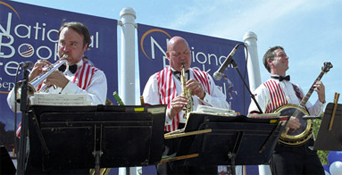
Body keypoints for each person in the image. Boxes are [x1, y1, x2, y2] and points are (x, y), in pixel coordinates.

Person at [7, 21, 108, 174]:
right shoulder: (43, 71)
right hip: (33, 148)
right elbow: (14, 106)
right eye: (62, 43)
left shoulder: (96, 75)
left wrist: (65, 85)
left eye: (73, 44)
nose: (65, 49)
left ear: (85, 47)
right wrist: (28, 81)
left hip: (73, 151)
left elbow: (96, 106)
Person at [142, 36, 229, 175]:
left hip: (202, 139)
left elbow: (225, 108)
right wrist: (170, 112)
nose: (183, 58)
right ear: (168, 55)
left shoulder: (205, 77)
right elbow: (147, 118)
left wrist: (203, 95)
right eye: (177, 54)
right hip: (171, 141)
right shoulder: (156, 80)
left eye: (186, 53)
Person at [248, 46, 325, 175]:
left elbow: (310, 115)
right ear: (270, 61)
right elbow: (253, 116)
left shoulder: (297, 88)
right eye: (282, 55)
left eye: (286, 55)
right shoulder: (263, 89)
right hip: (282, 149)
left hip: (308, 147)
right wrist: (283, 121)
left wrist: (321, 99)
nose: (287, 57)